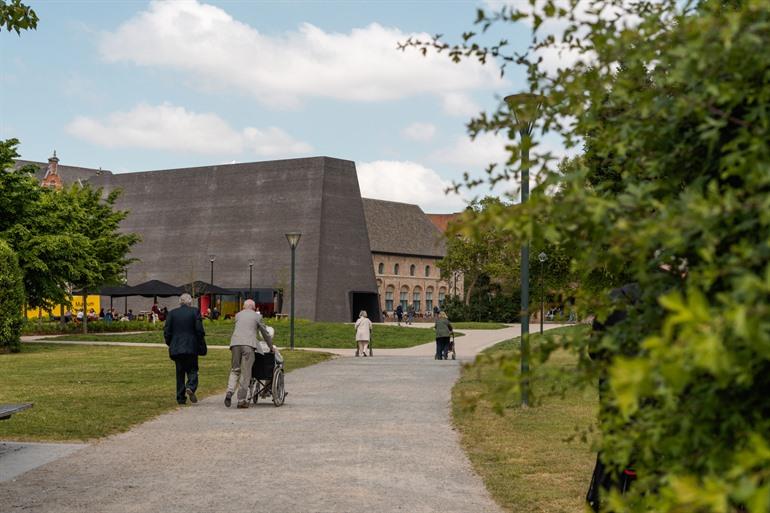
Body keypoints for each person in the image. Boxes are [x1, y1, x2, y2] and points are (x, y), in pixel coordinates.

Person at [225, 299, 274, 409]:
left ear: (243, 307)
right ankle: (241, 400)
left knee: (235, 369)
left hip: (235, 344)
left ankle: (229, 391)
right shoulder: (257, 317)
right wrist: (270, 346)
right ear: (254, 307)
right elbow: (265, 333)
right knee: (246, 373)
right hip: (248, 345)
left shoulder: (238, 315)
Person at [164, 293, 206, 405]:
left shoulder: (172, 313)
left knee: (180, 372)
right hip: (191, 346)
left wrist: (170, 343)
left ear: (180, 302)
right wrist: (200, 343)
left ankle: (180, 397)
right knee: (193, 369)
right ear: (190, 302)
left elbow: (167, 331)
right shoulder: (195, 311)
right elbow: (199, 330)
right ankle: (191, 386)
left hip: (176, 346)